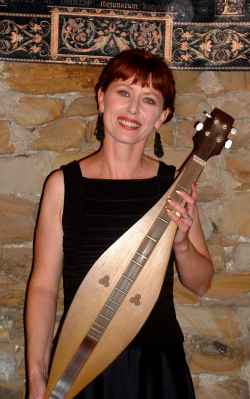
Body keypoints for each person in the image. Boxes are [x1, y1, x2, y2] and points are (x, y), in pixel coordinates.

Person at [25, 49, 214, 399]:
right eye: (123, 92)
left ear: (162, 116)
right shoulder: (62, 185)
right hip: (80, 363)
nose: (132, 109)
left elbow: (201, 284)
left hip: (156, 369)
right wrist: (37, 377)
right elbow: (44, 288)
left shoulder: (172, 185)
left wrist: (182, 244)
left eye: (149, 100)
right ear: (101, 98)